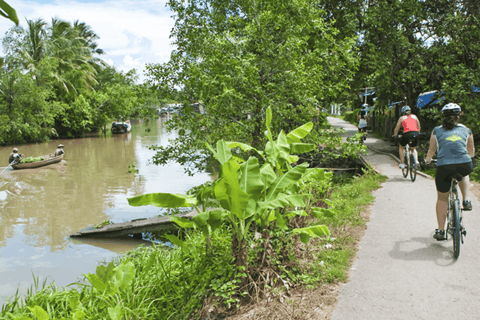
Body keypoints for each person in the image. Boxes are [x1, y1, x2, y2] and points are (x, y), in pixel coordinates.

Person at [425, 103, 475, 241]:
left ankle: (441, 231)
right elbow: (471, 152)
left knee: (442, 198)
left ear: (443, 116)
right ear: (458, 117)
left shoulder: (436, 131)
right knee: (464, 172)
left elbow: (431, 150)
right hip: (464, 164)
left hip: (444, 167)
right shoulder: (467, 130)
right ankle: (466, 200)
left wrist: (428, 161)